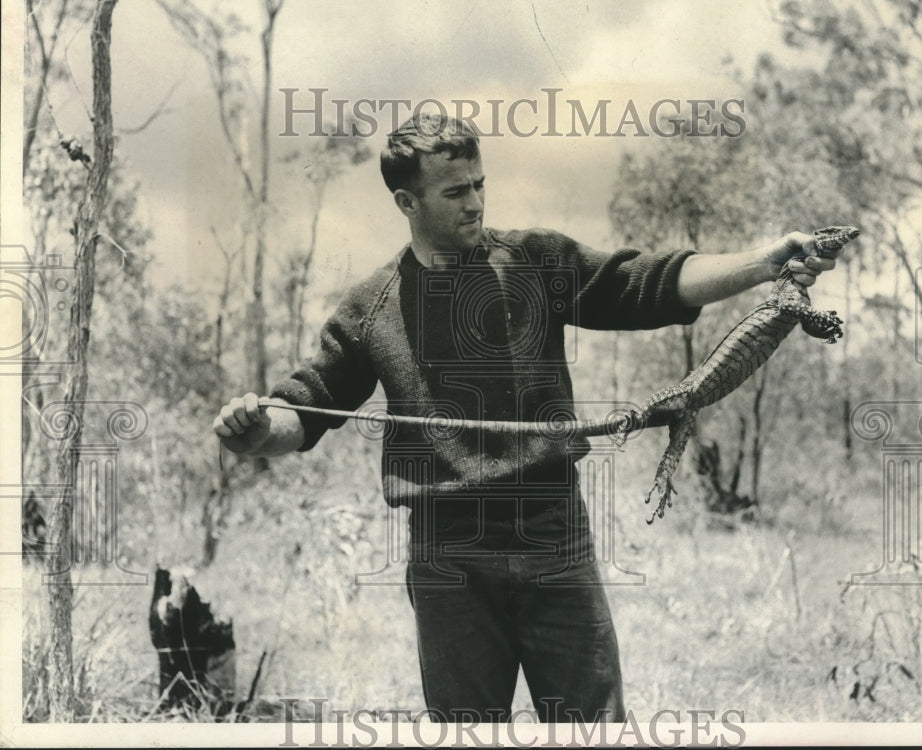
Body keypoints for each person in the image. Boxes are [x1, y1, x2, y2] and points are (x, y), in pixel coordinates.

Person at [213, 113, 845, 723]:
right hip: (448, 558)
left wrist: (765, 262)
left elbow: (648, 284)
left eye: (479, 185)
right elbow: (306, 407)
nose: (475, 203)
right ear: (407, 202)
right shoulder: (371, 308)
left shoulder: (535, 261)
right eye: (455, 192)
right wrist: (257, 429)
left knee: (592, 731)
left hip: (554, 537)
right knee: (468, 737)